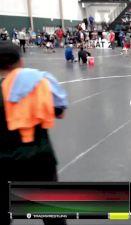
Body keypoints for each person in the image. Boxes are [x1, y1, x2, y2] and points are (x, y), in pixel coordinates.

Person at [0, 41, 68, 225]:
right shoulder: (37, 83)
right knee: (52, 215)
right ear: (20, 62)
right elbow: (60, 112)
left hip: (4, 162)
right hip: (39, 159)